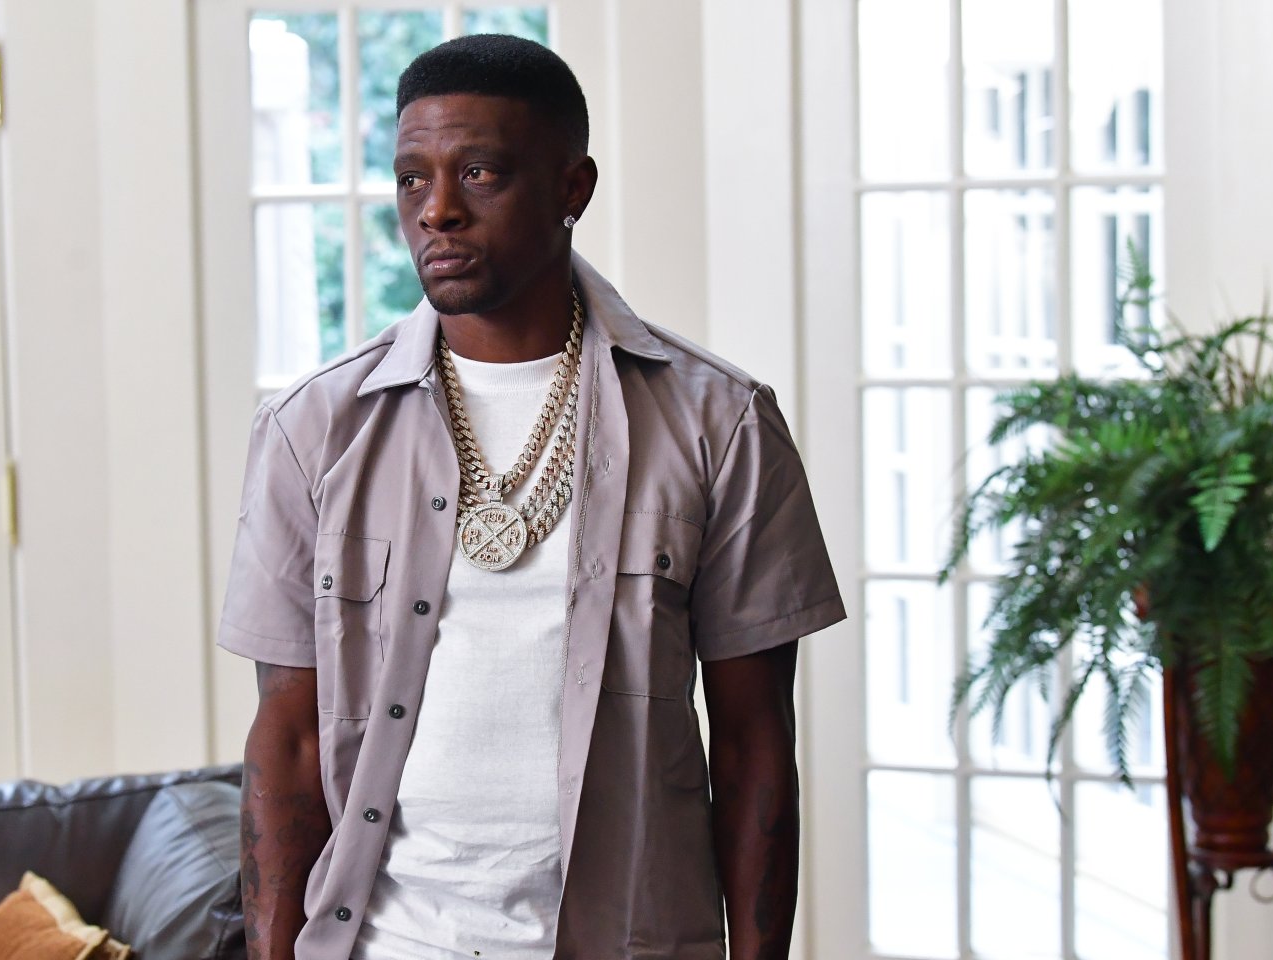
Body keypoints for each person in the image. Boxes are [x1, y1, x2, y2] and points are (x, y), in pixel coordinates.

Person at [220, 33, 844, 960]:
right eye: (411, 179)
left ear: (571, 188)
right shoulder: (312, 430)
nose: (437, 210)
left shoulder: (721, 423)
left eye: (479, 173)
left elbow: (756, 745)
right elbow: (287, 742)